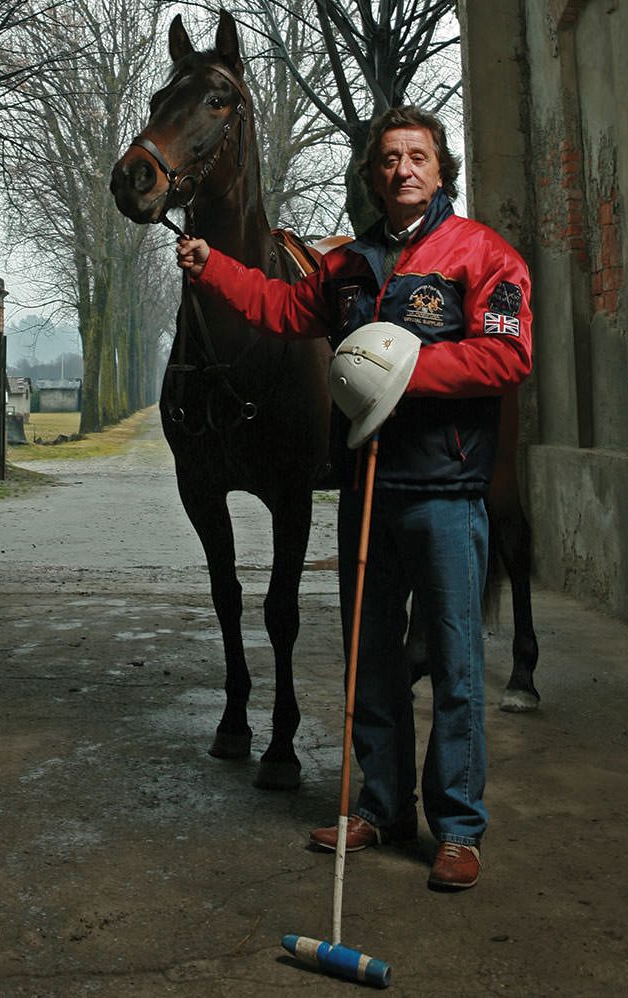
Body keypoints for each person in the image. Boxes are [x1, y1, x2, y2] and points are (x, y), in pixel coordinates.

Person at [176, 105, 533, 890]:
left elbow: (507, 356)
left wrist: (398, 371)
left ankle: (458, 828)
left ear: (441, 171)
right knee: (369, 663)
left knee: (455, 665)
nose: (403, 169)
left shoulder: (483, 254)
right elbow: (281, 309)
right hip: (366, 486)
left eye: (417, 156)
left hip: (445, 491)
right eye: (389, 158)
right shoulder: (348, 267)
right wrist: (213, 267)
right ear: (373, 174)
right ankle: (381, 806)